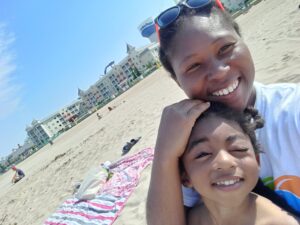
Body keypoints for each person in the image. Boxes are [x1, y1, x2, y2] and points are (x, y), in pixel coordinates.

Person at [146, 0, 300, 224]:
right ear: (178, 82)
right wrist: (164, 155)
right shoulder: (185, 139)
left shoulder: (292, 109)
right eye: (194, 66)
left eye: (225, 48)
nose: (218, 72)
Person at [181, 103, 298, 224]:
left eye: (238, 149)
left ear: (257, 161)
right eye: (203, 154)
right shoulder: (191, 218)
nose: (225, 161)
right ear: (185, 177)